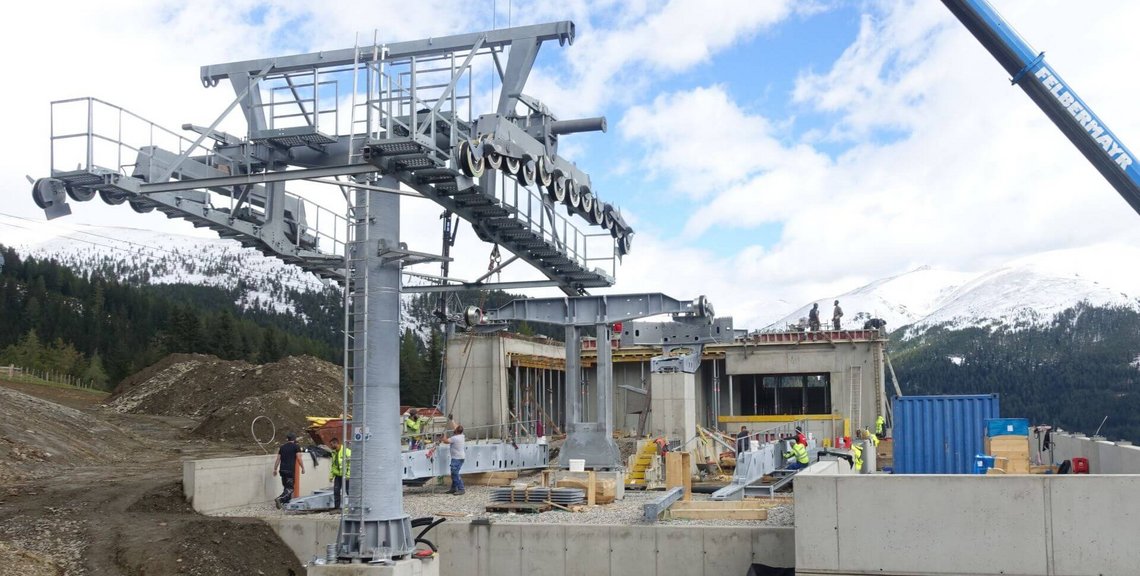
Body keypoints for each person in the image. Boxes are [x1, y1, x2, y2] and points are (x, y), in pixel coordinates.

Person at [273, 432, 305, 508]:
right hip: (290, 470)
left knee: (286, 487)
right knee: (290, 488)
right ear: (294, 439)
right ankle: (280, 499)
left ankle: (285, 503)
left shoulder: (282, 447)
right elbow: (299, 458)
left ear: (287, 439)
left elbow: (278, 459)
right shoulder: (296, 446)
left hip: (282, 470)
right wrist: (303, 468)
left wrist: (275, 469)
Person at [440, 420, 466, 495]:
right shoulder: (462, 435)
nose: (454, 429)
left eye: (455, 429)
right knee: (454, 473)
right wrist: (452, 420)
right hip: (460, 457)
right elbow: (456, 427)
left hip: (456, 458)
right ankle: (453, 488)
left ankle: (461, 489)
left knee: (455, 474)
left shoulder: (455, 438)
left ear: (456, 431)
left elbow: (445, 441)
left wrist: (443, 435)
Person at [328, 436, 350, 509]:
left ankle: (351, 507)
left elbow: (350, 464)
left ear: (336, 444)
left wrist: (348, 475)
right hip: (338, 475)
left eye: (331, 445)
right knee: (336, 491)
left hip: (346, 476)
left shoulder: (346, 451)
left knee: (348, 491)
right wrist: (331, 476)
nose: (330, 447)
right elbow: (334, 465)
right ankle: (336, 507)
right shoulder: (334, 453)